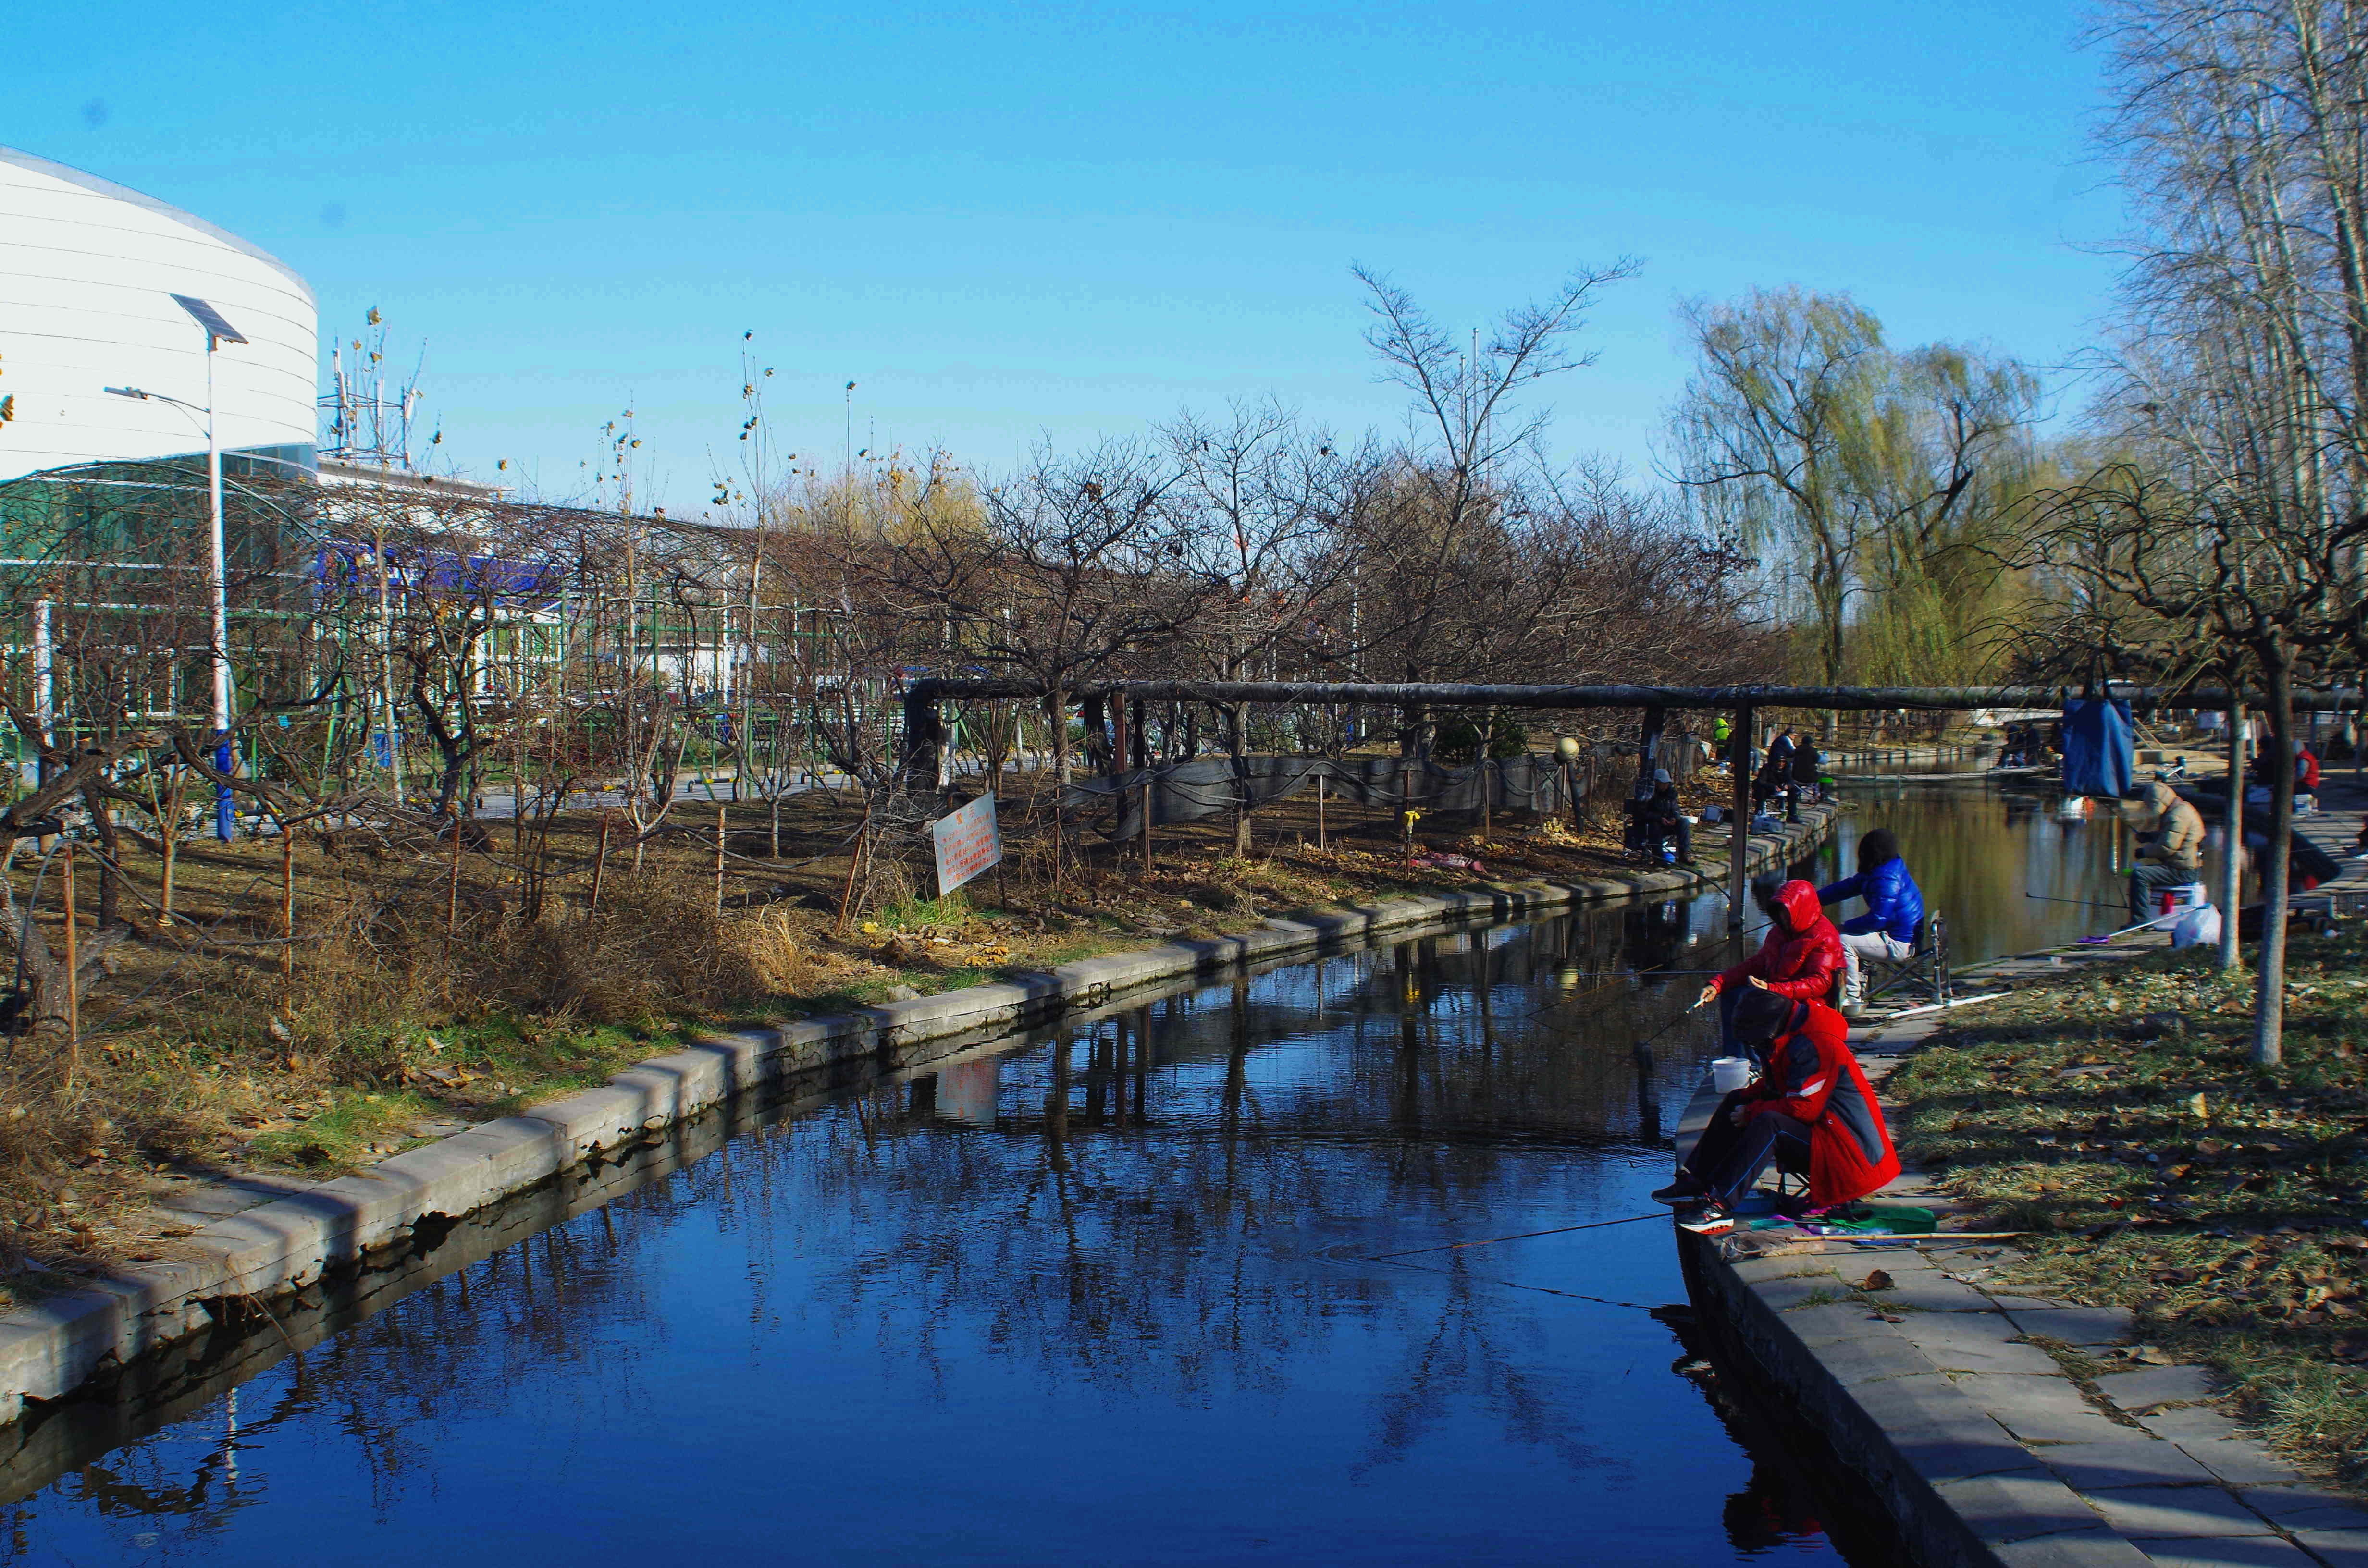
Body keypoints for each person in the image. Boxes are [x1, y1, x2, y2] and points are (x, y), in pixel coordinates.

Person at [1653, 986, 1901, 1231]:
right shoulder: (1792, 1035)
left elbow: (1805, 1109)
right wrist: (1746, 1100)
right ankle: (1698, 1182)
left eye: (1757, 1043)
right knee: (1737, 1100)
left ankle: (1719, 1206)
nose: (1757, 1048)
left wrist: (1751, 1113)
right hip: (1826, 1141)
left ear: (1769, 1031)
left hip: (1853, 1161)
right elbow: (1779, 1086)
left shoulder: (1817, 1045)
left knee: (1770, 1124)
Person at [1697, 879, 1845, 1061]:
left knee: (1750, 1002)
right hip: (1779, 995)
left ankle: (1757, 1062)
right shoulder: (1779, 933)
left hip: (1809, 1004)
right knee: (1732, 995)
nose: (1782, 919)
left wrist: (1772, 989)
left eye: (1786, 914)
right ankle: (1737, 1060)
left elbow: (1820, 983)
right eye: (1780, 913)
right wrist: (1718, 984)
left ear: (1802, 909)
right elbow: (1757, 964)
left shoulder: (1824, 936)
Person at [1817, 828, 1924, 1013]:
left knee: (1842, 941)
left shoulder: (1886, 878)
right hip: (1897, 937)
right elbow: (1847, 888)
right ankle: (1854, 988)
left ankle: (1851, 997)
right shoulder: (1883, 868)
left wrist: (1844, 927)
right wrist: (1813, 899)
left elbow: (1878, 919)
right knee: (1847, 935)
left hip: (1900, 944)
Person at [2128, 779, 2205, 924]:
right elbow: (2172, 838)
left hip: (2183, 871)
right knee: (2143, 874)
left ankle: (2140, 921)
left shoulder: (2176, 816)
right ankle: (2143, 916)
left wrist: (2144, 852)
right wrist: (2150, 837)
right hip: (2186, 866)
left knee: (2140, 875)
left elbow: (2167, 847)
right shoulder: (2182, 809)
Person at [1631, 768, 1691, 863]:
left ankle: (1685, 854)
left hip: (1667, 824)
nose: (1665, 785)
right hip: (1653, 824)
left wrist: (1675, 818)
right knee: (1654, 826)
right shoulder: (1648, 794)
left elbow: (1675, 809)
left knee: (1684, 822)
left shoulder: (1671, 794)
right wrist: (1659, 818)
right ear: (1656, 782)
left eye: (1666, 783)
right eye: (1662, 783)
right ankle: (1658, 857)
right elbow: (1642, 813)